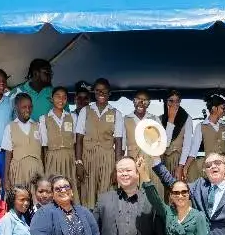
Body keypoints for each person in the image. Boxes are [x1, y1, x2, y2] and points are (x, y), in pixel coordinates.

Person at [75, 78, 124, 208]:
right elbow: (79, 139)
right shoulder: (85, 111)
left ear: (109, 93)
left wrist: (117, 168)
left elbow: (118, 142)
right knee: (88, 194)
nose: (101, 93)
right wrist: (79, 162)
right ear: (94, 93)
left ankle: (105, 226)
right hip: (88, 157)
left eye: (104, 90)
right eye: (97, 90)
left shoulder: (116, 113)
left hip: (107, 157)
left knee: (106, 195)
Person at [39, 86, 79, 200]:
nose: (61, 100)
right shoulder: (44, 119)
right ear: (51, 98)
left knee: (69, 187)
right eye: (58, 96)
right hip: (52, 158)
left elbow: (76, 142)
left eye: (64, 97)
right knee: (53, 186)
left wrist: (76, 162)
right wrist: (44, 165)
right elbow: (44, 146)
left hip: (69, 157)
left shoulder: (72, 117)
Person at [179, 94, 225, 184]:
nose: (224, 111)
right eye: (222, 108)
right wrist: (186, 167)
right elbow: (194, 150)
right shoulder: (201, 126)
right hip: (211, 167)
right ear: (214, 108)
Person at [2, 93, 44, 191]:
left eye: (30, 107)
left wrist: (43, 172)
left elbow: (42, 151)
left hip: (36, 171)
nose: (27, 110)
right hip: (18, 171)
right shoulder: (10, 127)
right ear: (16, 108)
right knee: (19, 200)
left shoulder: (38, 126)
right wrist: (6, 178)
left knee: (37, 201)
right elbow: (8, 154)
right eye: (24, 107)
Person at [159, 89, 191, 188]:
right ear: (165, 102)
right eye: (171, 101)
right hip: (163, 161)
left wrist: (180, 166)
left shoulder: (186, 118)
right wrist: (171, 119)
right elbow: (165, 143)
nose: (174, 104)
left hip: (178, 160)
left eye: (177, 101)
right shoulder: (160, 119)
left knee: (177, 189)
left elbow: (187, 145)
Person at [122, 89, 156, 184]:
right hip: (132, 160)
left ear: (149, 103)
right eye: (138, 100)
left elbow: (159, 142)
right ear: (133, 101)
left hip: (150, 161)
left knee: (149, 189)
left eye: (145, 101)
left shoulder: (154, 119)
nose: (141, 103)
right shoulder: (125, 119)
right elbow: (122, 144)